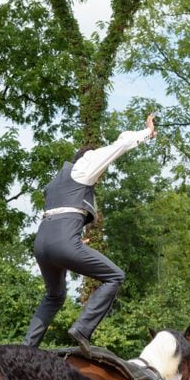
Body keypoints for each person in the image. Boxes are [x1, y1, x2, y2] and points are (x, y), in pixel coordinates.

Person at [23, 114, 157, 356]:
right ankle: (82, 329)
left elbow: (59, 214)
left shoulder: (56, 181)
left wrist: (73, 240)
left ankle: (27, 348)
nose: (101, 176)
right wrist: (147, 133)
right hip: (62, 242)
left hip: (42, 244)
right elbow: (121, 144)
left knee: (54, 295)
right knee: (115, 276)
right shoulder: (86, 164)